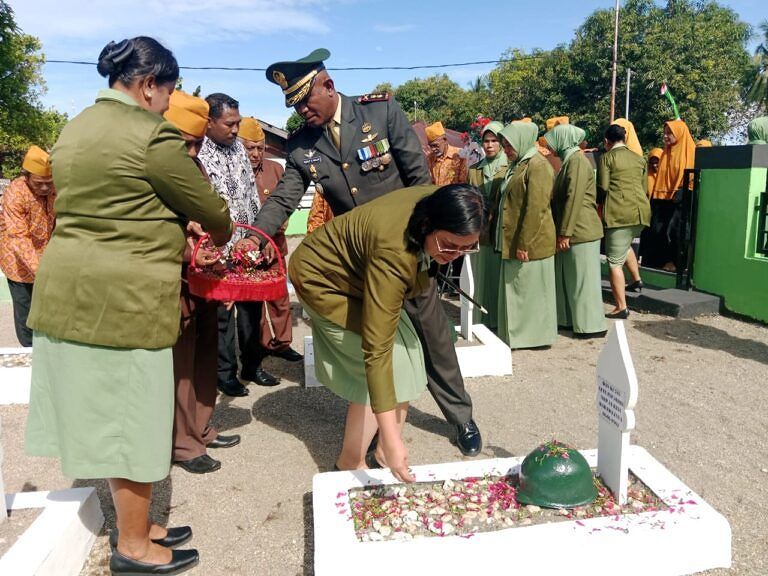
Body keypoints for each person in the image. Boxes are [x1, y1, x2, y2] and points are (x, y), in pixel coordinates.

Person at [24, 37, 232, 576]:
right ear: (146, 86)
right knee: (132, 422)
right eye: (168, 92)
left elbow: (114, 200)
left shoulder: (76, 127)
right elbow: (214, 212)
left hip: (69, 290)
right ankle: (133, 548)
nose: (169, 103)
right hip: (123, 300)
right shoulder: (150, 135)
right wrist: (195, 221)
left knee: (114, 417)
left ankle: (142, 527)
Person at [252, 48, 482, 456]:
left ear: (329, 85)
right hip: (359, 264)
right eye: (294, 104)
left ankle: (461, 416)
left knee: (433, 337)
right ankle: (379, 430)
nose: (302, 110)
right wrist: (254, 238)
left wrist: (432, 246)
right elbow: (284, 199)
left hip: (408, 250)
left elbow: (419, 180)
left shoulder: (380, 114)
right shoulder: (303, 143)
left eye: (306, 99)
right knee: (379, 342)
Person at [290, 184, 486, 481]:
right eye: (448, 246)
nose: (454, 256)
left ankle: (381, 451)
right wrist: (396, 439)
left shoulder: (448, 203)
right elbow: (376, 349)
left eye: (466, 247)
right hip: (325, 280)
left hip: (360, 276)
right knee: (378, 369)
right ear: (427, 225)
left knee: (410, 354)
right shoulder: (393, 252)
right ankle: (350, 463)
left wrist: (389, 441)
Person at [162, 90, 241, 475]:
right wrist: (186, 245)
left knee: (204, 353)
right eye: (186, 143)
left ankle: (201, 426)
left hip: (204, 271)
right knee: (182, 363)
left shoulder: (193, 165)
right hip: (172, 278)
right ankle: (182, 442)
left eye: (196, 144)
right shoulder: (152, 164)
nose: (192, 152)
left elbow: (203, 213)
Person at [198, 93, 279, 394]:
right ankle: (225, 373)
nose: (235, 130)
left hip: (246, 244)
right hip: (216, 249)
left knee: (251, 309)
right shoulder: (198, 154)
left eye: (237, 123)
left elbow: (250, 196)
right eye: (229, 124)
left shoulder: (239, 150)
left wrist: (260, 236)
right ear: (209, 122)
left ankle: (252, 365)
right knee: (222, 315)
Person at [238, 117, 303, 363]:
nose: (255, 153)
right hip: (247, 250)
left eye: (260, 147)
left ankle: (283, 343)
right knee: (255, 301)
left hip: (275, 247)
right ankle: (262, 343)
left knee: (279, 298)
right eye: (250, 147)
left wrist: (276, 232)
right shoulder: (234, 173)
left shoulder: (276, 170)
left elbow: (286, 206)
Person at [496, 121, 557, 349]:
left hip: (532, 241)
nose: (506, 150)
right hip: (516, 238)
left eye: (509, 145)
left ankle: (533, 337)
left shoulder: (538, 166)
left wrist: (524, 243)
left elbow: (536, 208)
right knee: (520, 290)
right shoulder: (521, 163)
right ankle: (519, 335)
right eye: (505, 146)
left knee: (531, 292)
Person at [544, 124, 606, 338]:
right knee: (572, 279)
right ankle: (574, 321)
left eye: (553, 140)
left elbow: (575, 198)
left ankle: (591, 325)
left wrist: (565, 232)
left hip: (581, 230)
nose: (550, 145)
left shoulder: (577, 161)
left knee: (583, 281)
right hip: (575, 230)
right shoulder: (570, 160)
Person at [0, 146, 55, 347]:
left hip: (46, 256)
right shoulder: (16, 193)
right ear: (27, 176)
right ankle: (28, 350)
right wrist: (39, 270)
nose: (45, 189)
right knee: (25, 310)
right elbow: (18, 237)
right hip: (19, 263)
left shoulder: (54, 188)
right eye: (39, 184)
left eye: (48, 183)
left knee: (48, 309)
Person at [597, 124, 651, 319]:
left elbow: (603, 186)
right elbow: (645, 186)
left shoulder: (607, 158)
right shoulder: (639, 159)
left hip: (620, 213)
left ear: (606, 141)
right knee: (625, 244)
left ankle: (621, 306)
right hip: (641, 212)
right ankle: (636, 279)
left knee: (614, 263)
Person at [467, 120, 507, 329]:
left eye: (494, 140)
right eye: (486, 141)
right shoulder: (474, 170)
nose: (489, 145)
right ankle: (481, 319)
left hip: (501, 231)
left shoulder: (509, 167)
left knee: (498, 278)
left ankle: (499, 319)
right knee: (481, 276)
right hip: (481, 232)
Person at [641, 119, 695, 271]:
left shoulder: (689, 153)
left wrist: (682, 190)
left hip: (679, 198)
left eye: (669, 133)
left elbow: (691, 177)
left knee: (676, 232)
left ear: (679, 133)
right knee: (657, 231)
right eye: (664, 133)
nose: (665, 137)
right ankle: (658, 262)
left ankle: (677, 263)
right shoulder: (665, 153)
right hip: (662, 199)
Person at [426, 121, 468, 185]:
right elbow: (429, 182)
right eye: (430, 146)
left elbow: (463, 183)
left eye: (435, 145)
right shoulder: (430, 158)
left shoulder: (460, 155)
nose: (433, 149)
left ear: (445, 140)